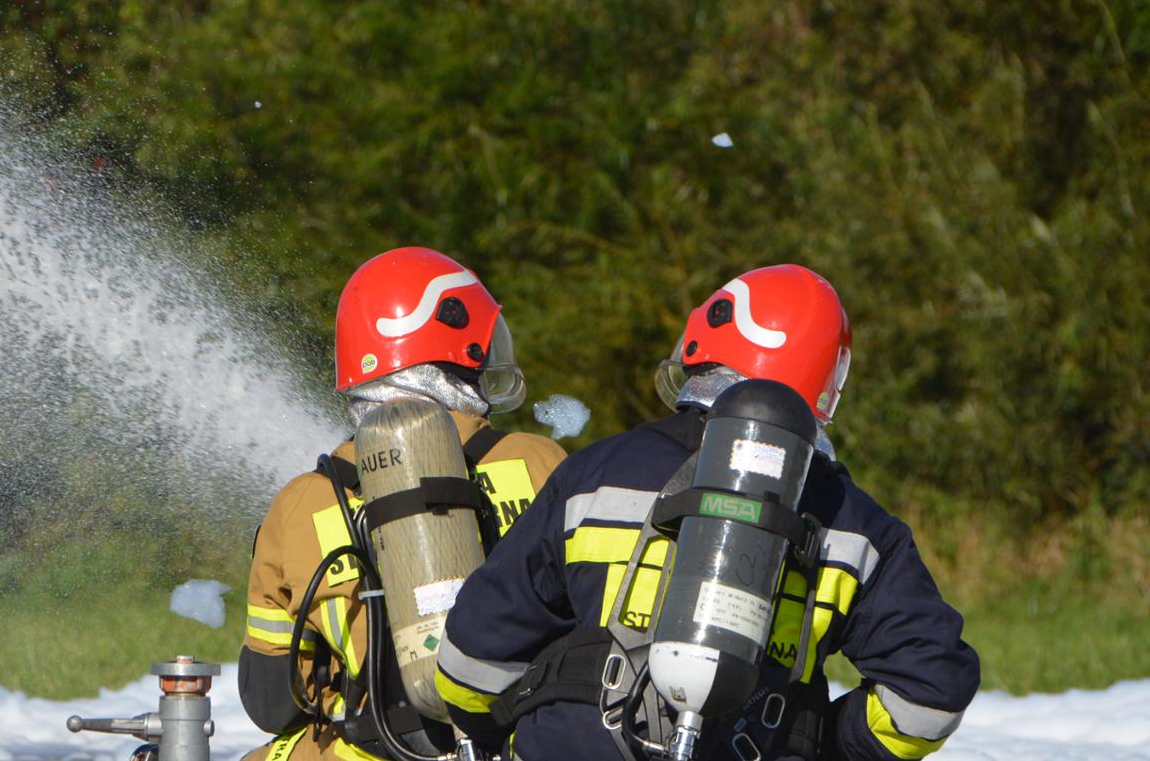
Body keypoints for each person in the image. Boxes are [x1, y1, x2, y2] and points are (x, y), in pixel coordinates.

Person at [434, 264, 979, 761]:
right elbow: (928, 701)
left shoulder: (592, 475)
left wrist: (504, 726)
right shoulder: (854, 524)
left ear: (699, 352)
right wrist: (823, 737)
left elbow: (469, 661)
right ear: (826, 382)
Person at [239, 246, 569, 761]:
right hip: (523, 741)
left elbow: (271, 702)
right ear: (460, 353)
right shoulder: (539, 460)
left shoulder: (303, 502)